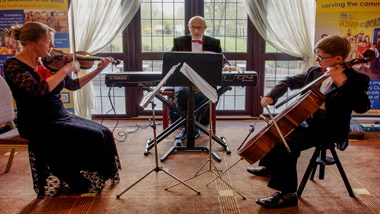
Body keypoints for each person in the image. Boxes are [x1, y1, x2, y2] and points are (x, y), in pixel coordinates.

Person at [246, 35, 371, 208]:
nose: (317, 60)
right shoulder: (315, 72)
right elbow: (289, 81)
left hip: (331, 128)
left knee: (287, 144)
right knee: (279, 128)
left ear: (338, 59)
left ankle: (288, 194)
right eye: (316, 56)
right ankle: (269, 166)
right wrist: (272, 95)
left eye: (321, 57)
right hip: (311, 122)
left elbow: (362, 106)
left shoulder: (357, 80)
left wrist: (342, 82)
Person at [3, 22, 121, 198]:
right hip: (38, 122)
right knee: (92, 136)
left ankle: (80, 177)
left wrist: (99, 69)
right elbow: (39, 90)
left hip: (59, 115)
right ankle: (74, 178)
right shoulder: (13, 66)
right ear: (31, 43)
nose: (52, 46)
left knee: (103, 131)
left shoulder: (43, 62)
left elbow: (74, 85)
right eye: (48, 41)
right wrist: (65, 69)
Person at [171, 15, 234, 140]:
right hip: (184, 80)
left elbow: (224, 61)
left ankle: (189, 128)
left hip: (205, 82)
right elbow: (172, 61)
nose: (196, 31)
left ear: (205, 28)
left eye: (199, 28)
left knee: (204, 95)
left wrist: (226, 66)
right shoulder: (179, 42)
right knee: (183, 93)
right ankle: (192, 128)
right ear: (188, 27)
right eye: (193, 27)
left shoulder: (214, 43)